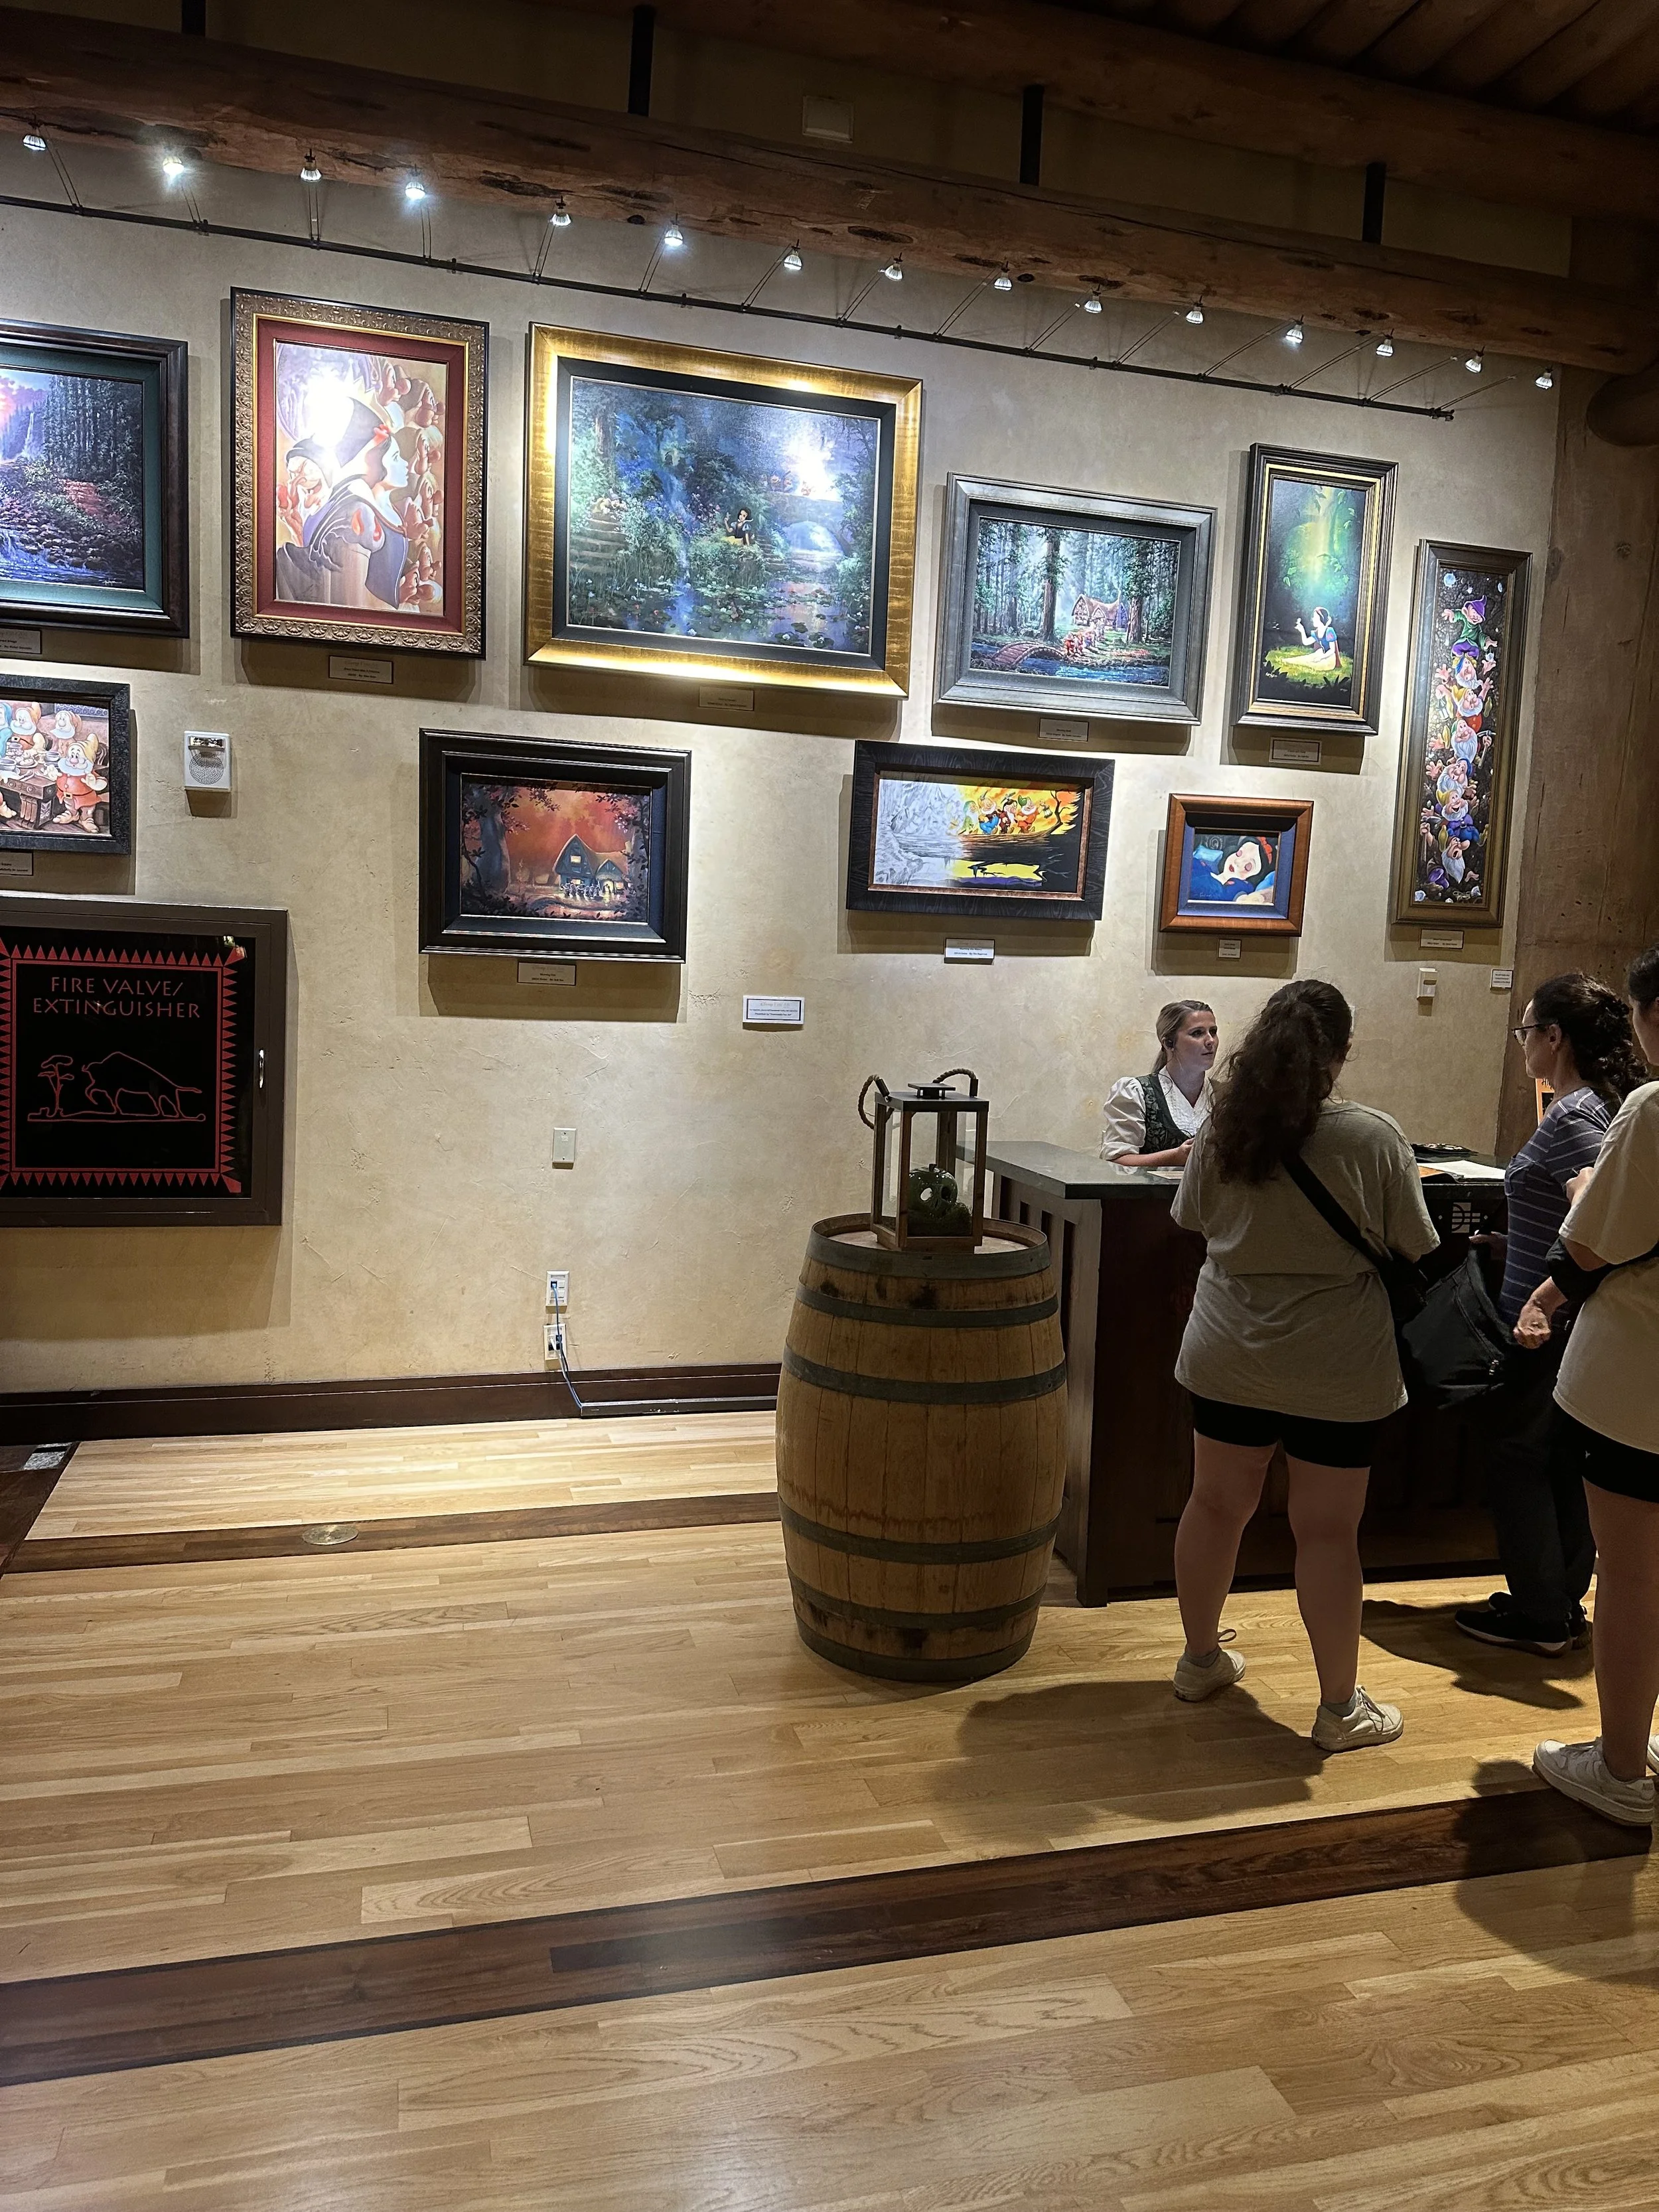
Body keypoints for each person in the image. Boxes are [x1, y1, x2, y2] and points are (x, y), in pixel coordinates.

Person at [1168, 980, 1438, 1750]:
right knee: (1326, 1532)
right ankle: (1338, 1709)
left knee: (1213, 1505)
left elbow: (1191, 1217)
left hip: (1228, 1346)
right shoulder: (1372, 1136)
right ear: (1341, 1053)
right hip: (1336, 1360)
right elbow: (1413, 1242)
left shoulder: (1224, 1128)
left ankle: (1198, 1660)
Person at [1455, 975, 1649, 1656]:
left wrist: (1545, 1289)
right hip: (1569, 1322)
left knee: (1519, 1460)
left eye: (1526, 1030)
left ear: (1554, 1037)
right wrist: (1519, 1243)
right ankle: (1559, 1605)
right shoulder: (1599, 1105)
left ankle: (1539, 1614)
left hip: (1545, 1326)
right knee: (1560, 1464)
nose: (1522, 1044)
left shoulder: (1571, 1117)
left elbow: (1592, 1206)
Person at [1533, 944, 1659, 1826]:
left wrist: (1546, 1292)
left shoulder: (1651, 1109)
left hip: (1639, 1378)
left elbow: (1590, 1242)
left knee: (1631, 1577)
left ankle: (1618, 1770)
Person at [1101, 1001, 1218, 1169]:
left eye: (1213, 1032)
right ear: (1169, 1043)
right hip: (1152, 1188)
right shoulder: (1137, 1093)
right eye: (1197, 1033)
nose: (1210, 1041)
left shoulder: (1226, 1095)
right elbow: (1115, 1161)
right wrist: (1175, 1157)